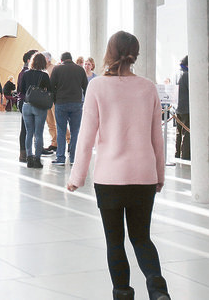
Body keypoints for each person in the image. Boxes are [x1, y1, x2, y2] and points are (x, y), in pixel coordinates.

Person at [67, 31, 170, 300]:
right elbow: (156, 138)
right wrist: (159, 174)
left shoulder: (98, 86)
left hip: (109, 177)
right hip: (143, 175)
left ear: (109, 52)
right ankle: (158, 290)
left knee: (115, 241)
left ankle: (122, 294)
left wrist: (76, 176)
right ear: (135, 54)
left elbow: (85, 136)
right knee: (141, 238)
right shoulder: (148, 87)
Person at [50, 52, 88, 165]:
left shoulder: (57, 69)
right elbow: (86, 87)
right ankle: (73, 158)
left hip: (61, 103)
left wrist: (55, 100)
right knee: (75, 131)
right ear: (71, 59)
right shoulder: (80, 70)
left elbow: (51, 87)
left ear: (62, 60)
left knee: (61, 130)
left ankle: (60, 158)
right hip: (76, 104)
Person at [18, 52, 50, 169]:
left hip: (27, 105)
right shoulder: (45, 76)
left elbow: (21, 90)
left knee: (29, 132)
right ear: (43, 63)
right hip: (39, 106)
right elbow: (50, 90)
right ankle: (37, 159)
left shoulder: (25, 74)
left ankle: (29, 158)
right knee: (38, 133)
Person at [15, 49, 37, 162]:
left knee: (27, 129)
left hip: (24, 102)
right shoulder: (26, 73)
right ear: (29, 60)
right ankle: (24, 154)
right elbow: (21, 90)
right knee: (26, 129)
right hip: (26, 102)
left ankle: (25, 153)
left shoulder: (24, 72)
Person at [175, 56, 190, 159]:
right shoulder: (187, 75)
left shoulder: (176, 73)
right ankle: (185, 154)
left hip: (177, 107)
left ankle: (177, 152)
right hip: (186, 108)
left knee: (178, 132)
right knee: (186, 132)